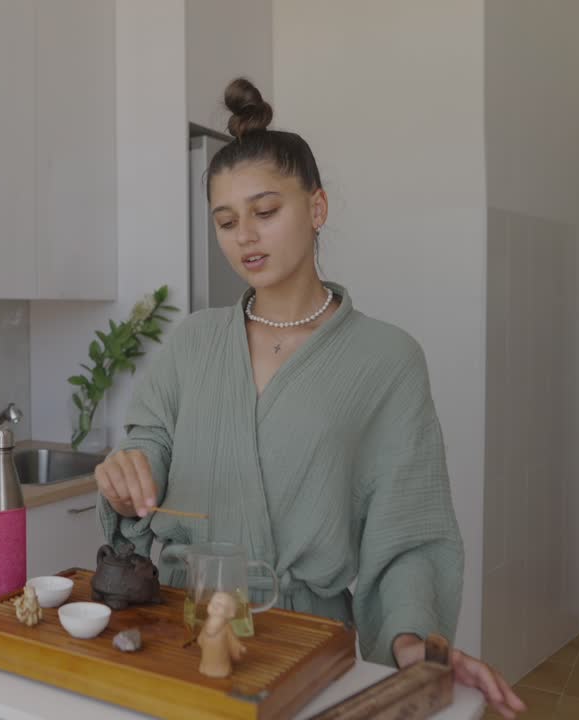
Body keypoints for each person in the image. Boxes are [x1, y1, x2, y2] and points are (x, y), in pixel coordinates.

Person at [94, 78, 526, 718]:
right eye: (226, 220)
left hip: (310, 643)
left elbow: (408, 532)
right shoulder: (192, 342)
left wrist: (413, 642)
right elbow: (148, 442)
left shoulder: (387, 360)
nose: (246, 237)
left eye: (266, 212)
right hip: (179, 629)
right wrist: (131, 472)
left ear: (316, 208)